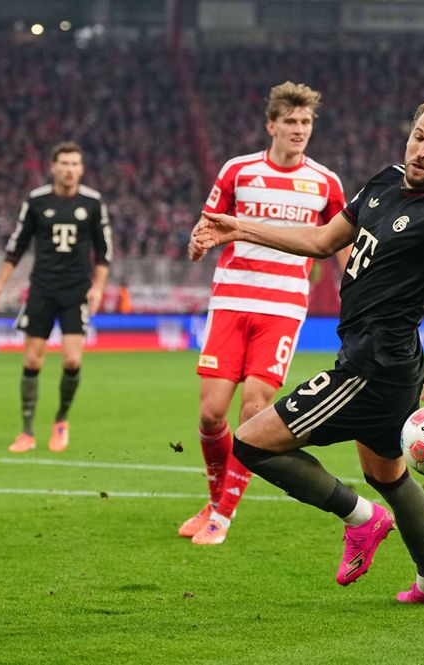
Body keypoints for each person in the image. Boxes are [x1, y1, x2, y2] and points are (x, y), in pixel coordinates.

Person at [192, 93, 424, 606]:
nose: (423, 149)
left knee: (250, 443)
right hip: (383, 365)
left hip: (371, 369)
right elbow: (320, 241)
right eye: (419, 136)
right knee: (390, 476)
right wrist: (239, 228)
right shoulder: (383, 181)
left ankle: (361, 519)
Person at [180, 81, 349, 546]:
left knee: (254, 410)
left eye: (306, 123)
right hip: (232, 300)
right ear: (271, 125)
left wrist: (357, 292)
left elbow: (341, 244)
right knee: (213, 415)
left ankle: (223, 516)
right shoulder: (238, 170)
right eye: (291, 122)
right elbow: (208, 225)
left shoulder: (325, 182)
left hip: (281, 307)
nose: (299, 130)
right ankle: (215, 501)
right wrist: (197, 242)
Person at [0, 142, 112, 453]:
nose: (69, 169)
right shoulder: (37, 200)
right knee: (32, 359)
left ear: (81, 169)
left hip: (76, 290)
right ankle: (26, 432)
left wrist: (98, 287)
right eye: (63, 163)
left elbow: (104, 250)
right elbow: (17, 244)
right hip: (42, 289)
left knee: (72, 359)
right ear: (53, 167)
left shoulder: (93, 202)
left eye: (74, 164)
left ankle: (61, 420)